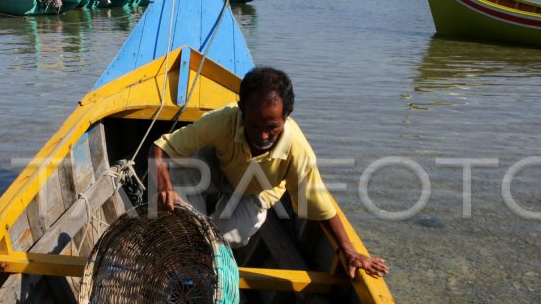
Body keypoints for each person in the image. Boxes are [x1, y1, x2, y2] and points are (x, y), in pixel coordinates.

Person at [149, 66, 389, 279]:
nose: (262, 136)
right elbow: (161, 147)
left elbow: (319, 206)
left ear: (287, 116)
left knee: (224, 237)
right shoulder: (223, 120)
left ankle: (195, 251)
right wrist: (164, 188)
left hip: (255, 191)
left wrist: (347, 250)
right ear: (241, 109)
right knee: (180, 172)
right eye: (254, 125)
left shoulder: (298, 151)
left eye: (272, 128)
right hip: (216, 166)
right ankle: (182, 231)